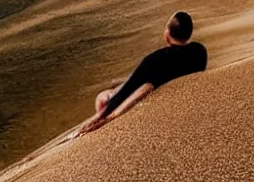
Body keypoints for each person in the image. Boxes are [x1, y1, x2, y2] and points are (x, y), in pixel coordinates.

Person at [76, 11, 208, 137]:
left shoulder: (156, 59)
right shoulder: (199, 51)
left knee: (103, 97)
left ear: (167, 32)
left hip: (151, 96)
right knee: (118, 85)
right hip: (168, 81)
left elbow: (142, 87)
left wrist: (105, 116)